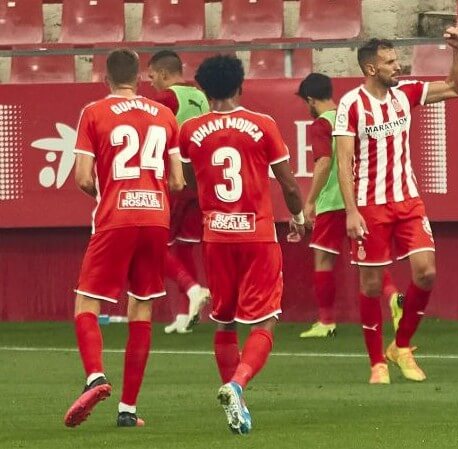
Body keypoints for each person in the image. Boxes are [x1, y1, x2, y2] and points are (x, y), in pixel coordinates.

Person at [334, 28, 458, 384]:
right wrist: (350, 210)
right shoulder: (351, 105)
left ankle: (402, 346)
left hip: (408, 200)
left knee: (426, 272)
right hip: (369, 206)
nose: (398, 66)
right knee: (372, 286)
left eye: (397, 60)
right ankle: (377, 361)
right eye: (390, 62)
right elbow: (343, 162)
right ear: (370, 69)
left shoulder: (405, 94)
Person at [179, 55, 305, 434]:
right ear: (240, 85)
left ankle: (237, 404)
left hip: (216, 236)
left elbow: (189, 181)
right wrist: (298, 219)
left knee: (224, 319)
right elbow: (289, 183)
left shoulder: (189, 130)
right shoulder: (262, 124)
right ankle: (237, 384)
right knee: (265, 319)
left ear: (202, 89)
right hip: (257, 236)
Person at [64, 49, 184, 428]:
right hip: (156, 217)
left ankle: (96, 376)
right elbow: (178, 180)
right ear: (140, 78)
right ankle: (129, 411)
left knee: (87, 300)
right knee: (142, 306)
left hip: (116, 216)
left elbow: (83, 176)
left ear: (106, 79)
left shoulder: (94, 112)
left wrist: (109, 193)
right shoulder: (165, 115)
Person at [296, 73, 404, 339]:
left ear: (310, 100)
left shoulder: (322, 124)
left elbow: (323, 163)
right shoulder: (351, 113)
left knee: (323, 258)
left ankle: (326, 321)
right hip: (360, 198)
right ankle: (392, 298)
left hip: (333, 201)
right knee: (370, 258)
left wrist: (309, 201)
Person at [147, 50, 211, 334]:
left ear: (163, 74)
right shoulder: (201, 97)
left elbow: (143, 125)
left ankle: (192, 289)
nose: (150, 83)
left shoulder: (166, 98)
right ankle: (187, 313)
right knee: (184, 246)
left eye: (151, 77)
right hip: (199, 180)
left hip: (174, 179)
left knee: (152, 247)